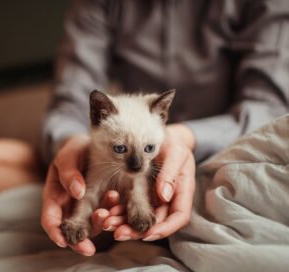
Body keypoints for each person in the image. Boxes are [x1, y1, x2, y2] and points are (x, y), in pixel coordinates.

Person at [40, 0, 289, 256]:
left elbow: (270, 110)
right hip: (123, 152)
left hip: (228, 149)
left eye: (147, 149)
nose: (137, 163)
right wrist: (69, 142)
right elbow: (69, 105)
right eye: (121, 148)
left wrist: (185, 137)